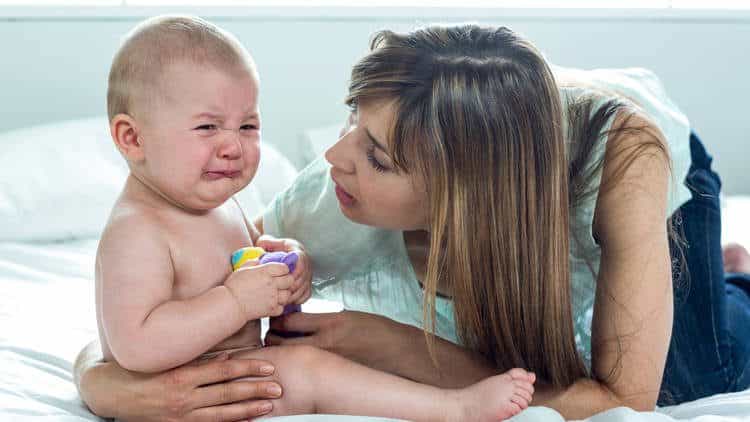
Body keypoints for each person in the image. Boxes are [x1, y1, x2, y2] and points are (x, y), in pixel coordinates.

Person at [74, 23, 750, 420]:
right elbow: (146, 312)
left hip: (640, 167)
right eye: (352, 122)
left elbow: (618, 401)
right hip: (507, 130)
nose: (336, 157)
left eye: (377, 155)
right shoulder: (332, 197)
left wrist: (387, 342)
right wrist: (100, 383)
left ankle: (715, 280)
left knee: (688, 380)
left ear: (467, 198)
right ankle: (699, 283)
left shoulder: (626, 163)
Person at [84, 15, 536, 421]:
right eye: (207, 127)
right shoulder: (137, 230)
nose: (232, 146)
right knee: (312, 373)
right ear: (132, 138)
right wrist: (236, 303)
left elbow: (230, 264)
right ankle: (454, 408)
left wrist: (280, 259)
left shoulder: (215, 203)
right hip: (191, 394)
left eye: (247, 126)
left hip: (232, 380)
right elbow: (136, 345)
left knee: (316, 369)